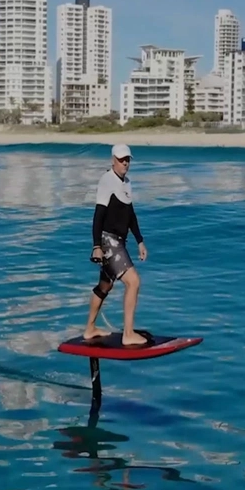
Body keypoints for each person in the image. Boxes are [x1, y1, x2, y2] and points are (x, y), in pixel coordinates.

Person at [85, 143, 148, 345]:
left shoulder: (126, 182)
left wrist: (140, 241)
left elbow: (130, 215)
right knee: (134, 281)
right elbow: (98, 215)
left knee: (105, 285)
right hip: (108, 241)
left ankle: (90, 329)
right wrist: (96, 246)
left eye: (127, 159)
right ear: (113, 160)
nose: (125, 163)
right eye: (121, 160)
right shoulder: (107, 181)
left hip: (119, 241)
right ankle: (128, 334)